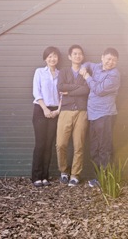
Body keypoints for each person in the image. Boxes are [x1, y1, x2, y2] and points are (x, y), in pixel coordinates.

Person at [80, 47, 121, 188]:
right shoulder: (97, 67)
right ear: (102, 57)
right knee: (94, 148)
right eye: (108, 58)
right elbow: (87, 64)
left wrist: (86, 76)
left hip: (105, 115)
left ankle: (105, 179)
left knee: (104, 148)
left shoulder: (114, 75)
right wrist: (84, 68)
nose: (110, 62)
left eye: (114, 60)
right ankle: (98, 178)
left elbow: (98, 90)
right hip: (93, 115)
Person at [56, 44, 90, 187]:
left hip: (82, 111)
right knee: (61, 144)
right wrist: (77, 89)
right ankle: (64, 171)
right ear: (70, 56)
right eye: (75, 54)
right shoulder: (63, 71)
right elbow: (60, 86)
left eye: (80, 54)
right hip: (65, 111)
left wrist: (69, 92)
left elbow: (87, 89)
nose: (78, 56)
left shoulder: (85, 72)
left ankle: (75, 174)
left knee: (79, 144)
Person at [31, 46, 62, 187]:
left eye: (55, 56)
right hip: (40, 109)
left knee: (49, 144)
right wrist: (44, 109)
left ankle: (45, 176)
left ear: (58, 58)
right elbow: (36, 92)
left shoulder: (61, 74)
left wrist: (58, 111)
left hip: (55, 111)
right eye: (49, 56)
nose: (52, 58)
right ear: (45, 58)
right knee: (40, 144)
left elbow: (63, 95)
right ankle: (36, 176)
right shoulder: (39, 72)